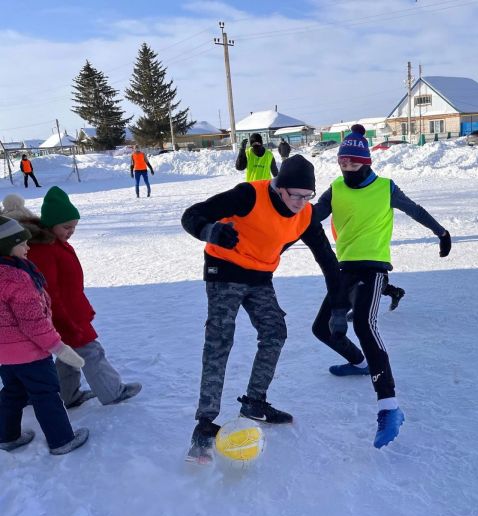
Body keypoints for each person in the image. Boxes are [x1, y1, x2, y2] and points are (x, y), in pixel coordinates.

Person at [181, 154, 342, 461]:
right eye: (296, 195)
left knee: (274, 332)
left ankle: (254, 401)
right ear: (279, 188)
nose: (301, 202)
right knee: (220, 339)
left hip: (259, 276)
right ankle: (204, 424)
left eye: (308, 196)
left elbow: (326, 258)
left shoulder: (305, 214)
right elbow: (192, 215)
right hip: (224, 269)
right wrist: (210, 231)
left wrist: (337, 305)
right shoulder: (248, 195)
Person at [311, 124, 452, 449]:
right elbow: (312, 216)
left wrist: (441, 232)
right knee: (321, 329)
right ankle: (359, 362)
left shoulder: (385, 188)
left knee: (363, 322)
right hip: (344, 266)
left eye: (353, 162)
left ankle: (389, 407)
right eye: (342, 162)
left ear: (366, 162)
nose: (347, 167)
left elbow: (414, 209)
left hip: (373, 267)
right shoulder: (336, 189)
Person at [24, 187, 142, 409]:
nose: (71, 231)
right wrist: (65, 322)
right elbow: (50, 292)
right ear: (51, 224)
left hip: (72, 311)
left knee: (68, 357)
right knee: (91, 351)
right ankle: (112, 391)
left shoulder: (55, 242)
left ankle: (68, 395)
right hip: (65, 316)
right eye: (66, 227)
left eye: (74, 227)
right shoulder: (44, 249)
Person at [0, 216, 89, 455]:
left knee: (13, 393)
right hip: (31, 354)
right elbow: (33, 322)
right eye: (22, 243)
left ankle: (7, 436)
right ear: (6, 247)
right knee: (46, 394)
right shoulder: (17, 278)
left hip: (5, 356)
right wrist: (59, 348)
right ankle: (61, 440)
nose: (28, 248)